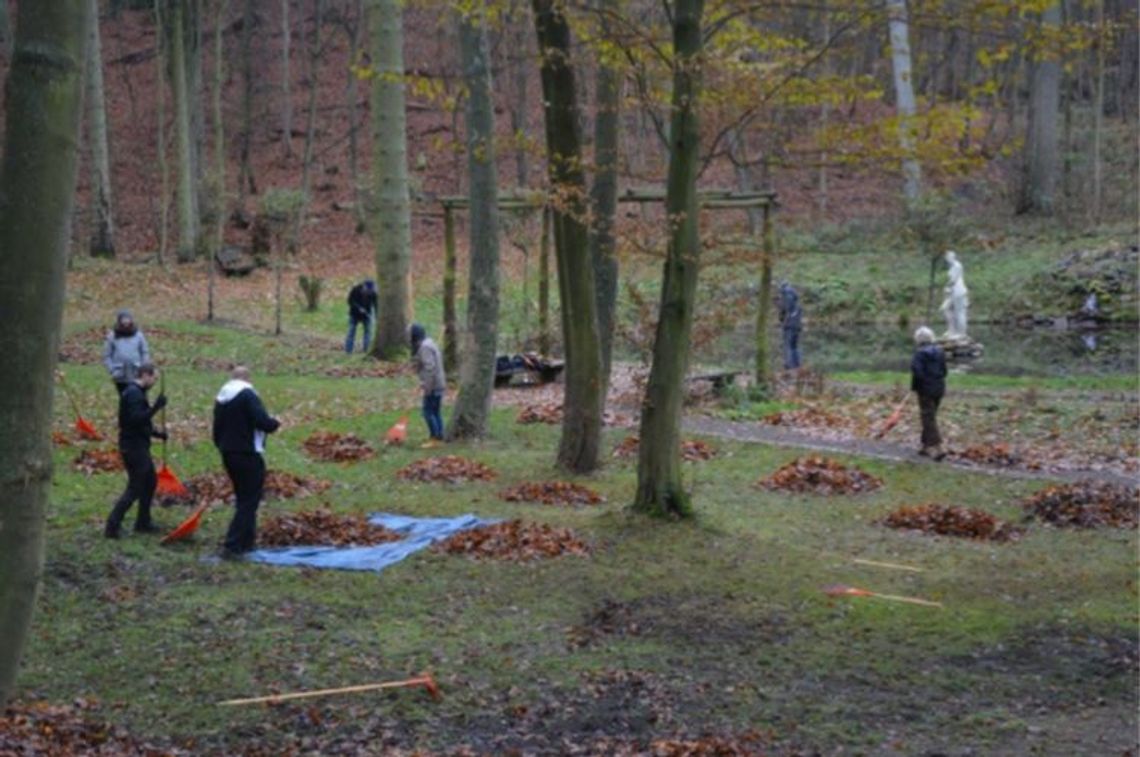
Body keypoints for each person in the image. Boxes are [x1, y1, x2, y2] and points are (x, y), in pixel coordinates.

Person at [212, 366, 281, 558]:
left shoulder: (222, 397)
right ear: (247, 379)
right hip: (247, 453)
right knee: (249, 501)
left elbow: (216, 427)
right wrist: (275, 423)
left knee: (244, 497)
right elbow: (262, 421)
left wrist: (221, 445)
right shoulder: (248, 395)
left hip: (228, 452)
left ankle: (247, 541)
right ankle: (233, 544)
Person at [104, 363, 167, 538]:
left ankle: (143, 522)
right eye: (154, 378)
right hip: (133, 448)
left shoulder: (138, 393)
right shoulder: (133, 394)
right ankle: (112, 526)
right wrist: (156, 407)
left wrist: (157, 434)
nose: (154, 382)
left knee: (150, 482)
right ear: (145, 375)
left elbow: (142, 423)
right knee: (135, 487)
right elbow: (135, 420)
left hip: (139, 445)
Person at [910, 326, 948, 460]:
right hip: (939, 387)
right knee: (931, 416)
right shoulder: (940, 351)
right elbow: (944, 371)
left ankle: (937, 447)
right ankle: (925, 446)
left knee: (928, 417)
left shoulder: (919, 354)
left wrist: (914, 387)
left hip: (925, 389)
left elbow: (917, 372)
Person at [410, 323, 445, 448]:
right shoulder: (430, 344)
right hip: (439, 383)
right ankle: (440, 435)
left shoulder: (424, 348)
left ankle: (434, 437)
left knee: (427, 412)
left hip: (433, 385)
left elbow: (430, 368)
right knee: (436, 412)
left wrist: (427, 386)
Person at [103, 309, 150, 394]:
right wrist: (111, 369)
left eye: (127, 319)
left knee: (138, 395)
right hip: (119, 373)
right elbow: (107, 355)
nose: (126, 322)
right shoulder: (112, 336)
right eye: (123, 319)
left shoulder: (138, 335)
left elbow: (144, 352)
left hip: (137, 372)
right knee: (124, 396)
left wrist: (144, 368)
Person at [939, 251, 969, 338]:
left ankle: (961, 333)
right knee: (945, 309)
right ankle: (951, 330)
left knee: (960, 312)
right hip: (953, 291)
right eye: (946, 257)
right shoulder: (952, 266)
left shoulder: (957, 265)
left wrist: (947, 287)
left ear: (953, 257)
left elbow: (953, 280)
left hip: (958, 291)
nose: (947, 259)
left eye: (948, 257)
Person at [345, 279, 377, 354]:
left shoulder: (373, 293)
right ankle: (348, 350)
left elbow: (376, 305)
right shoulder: (355, 290)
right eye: (367, 290)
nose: (369, 292)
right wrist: (358, 308)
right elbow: (350, 301)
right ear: (364, 287)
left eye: (370, 291)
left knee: (368, 333)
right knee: (351, 332)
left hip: (366, 316)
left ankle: (366, 350)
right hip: (354, 315)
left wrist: (376, 315)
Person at [777, 281, 803, 370]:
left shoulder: (786, 298)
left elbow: (783, 312)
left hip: (788, 325)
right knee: (795, 345)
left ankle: (789, 366)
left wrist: (782, 321)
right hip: (797, 325)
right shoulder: (797, 301)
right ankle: (797, 365)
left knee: (788, 345)